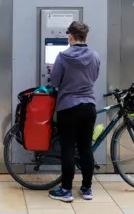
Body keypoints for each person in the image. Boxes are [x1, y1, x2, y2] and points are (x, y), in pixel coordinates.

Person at [48, 21, 100, 202]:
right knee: (86, 148)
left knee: (68, 149)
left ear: (70, 37)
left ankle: (66, 190)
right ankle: (86, 189)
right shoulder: (95, 56)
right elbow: (93, 77)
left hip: (68, 107)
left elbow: (54, 82)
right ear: (85, 37)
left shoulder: (63, 57)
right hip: (89, 107)